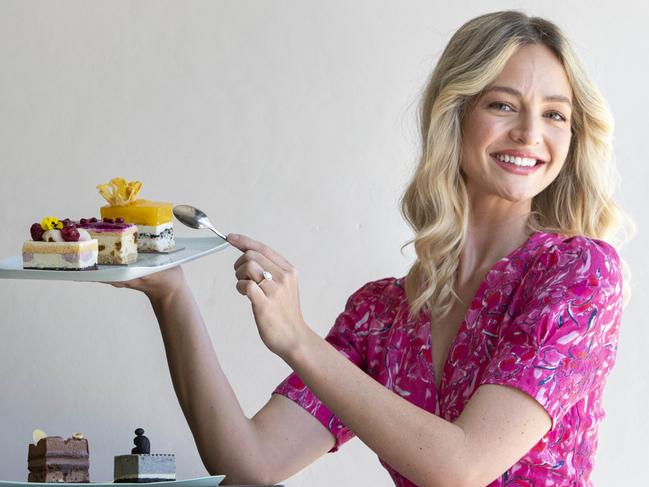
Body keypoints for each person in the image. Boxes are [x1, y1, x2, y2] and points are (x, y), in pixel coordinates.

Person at [110, 10, 632, 487]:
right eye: (502, 105)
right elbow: (249, 463)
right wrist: (171, 296)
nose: (528, 134)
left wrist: (298, 340)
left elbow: (463, 466)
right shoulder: (380, 315)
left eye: (555, 115)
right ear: (456, 114)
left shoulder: (580, 274)